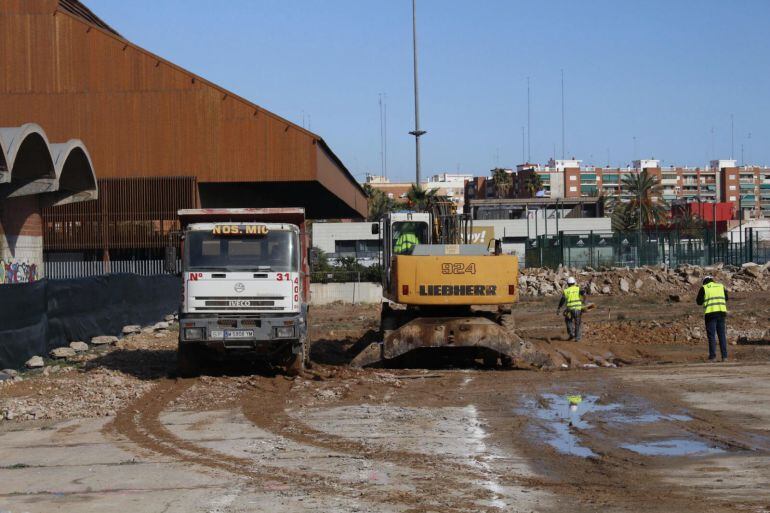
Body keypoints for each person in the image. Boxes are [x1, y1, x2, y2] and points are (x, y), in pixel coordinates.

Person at [696, 275, 729, 362]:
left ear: (705, 282)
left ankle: (713, 357)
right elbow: (726, 298)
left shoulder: (704, 288)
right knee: (722, 335)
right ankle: (724, 357)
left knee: (711, 336)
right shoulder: (721, 286)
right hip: (721, 313)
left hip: (710, 314)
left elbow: (698, 302)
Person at [557, 276, 586, 341]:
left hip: (569, 309)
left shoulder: (566, 291)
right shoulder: (578, 289)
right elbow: (584, 294)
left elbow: (563, 299)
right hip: (578, 309)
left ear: (568, 284)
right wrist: (584, 302)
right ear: (574, 283)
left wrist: (559, 308)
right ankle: (577, 337)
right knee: (577, 322)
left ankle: (571, 334)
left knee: (568, 321)